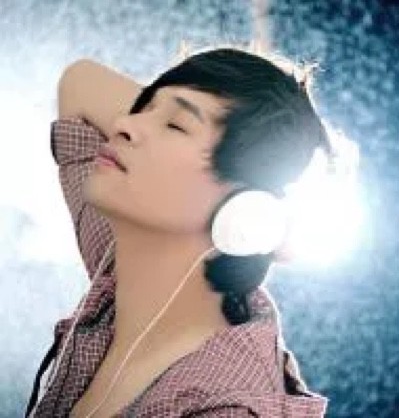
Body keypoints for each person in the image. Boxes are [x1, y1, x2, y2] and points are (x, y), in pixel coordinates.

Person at [26, 44, 330, 417]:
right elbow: (82, 82)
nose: (123, 124)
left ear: (245, 207)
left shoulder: (227, 408)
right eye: (145, 108)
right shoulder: (124, 267)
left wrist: (266, 209)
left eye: (176, 125)